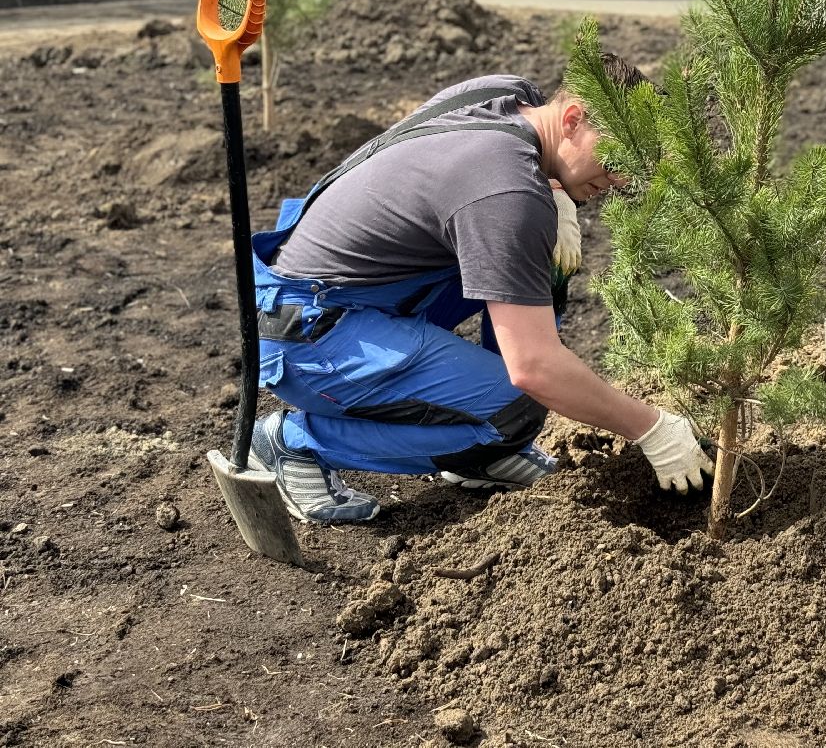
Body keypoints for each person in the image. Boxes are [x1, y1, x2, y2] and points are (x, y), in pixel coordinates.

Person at [245, 58, 714, 523]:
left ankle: (486, 447)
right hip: (310, 331)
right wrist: (649, 429)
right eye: (615, 162)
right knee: (521, 403)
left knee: (538, 259)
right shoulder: (506, 193)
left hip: (350, 285)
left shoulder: (511, 97)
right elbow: (534, 369)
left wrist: (552, 190)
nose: (621, 181)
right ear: (572, 119)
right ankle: (292, 443)